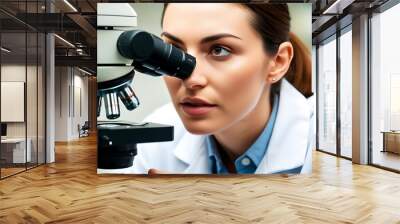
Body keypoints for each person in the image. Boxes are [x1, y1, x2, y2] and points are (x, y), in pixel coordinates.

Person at [129, 3, 314, 174]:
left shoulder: (318, 143)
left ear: (278, 62)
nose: (191, 79)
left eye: (219, 50)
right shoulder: (154, 142)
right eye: (175, 52)